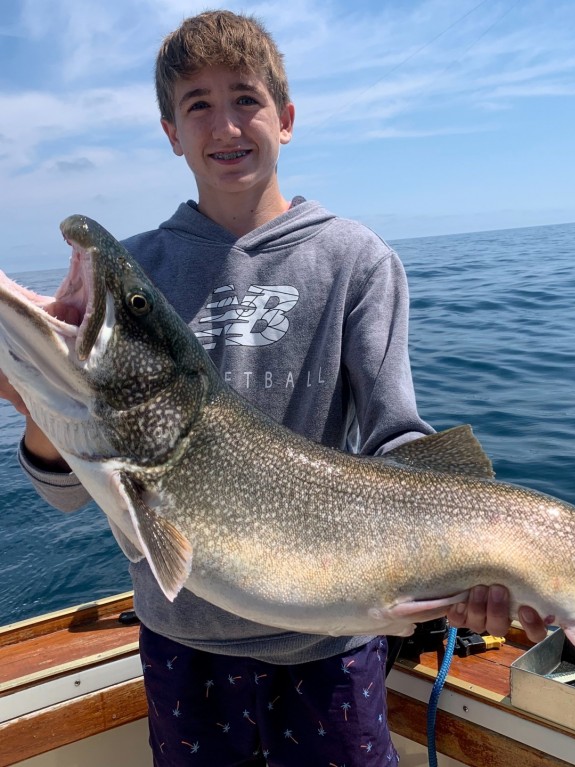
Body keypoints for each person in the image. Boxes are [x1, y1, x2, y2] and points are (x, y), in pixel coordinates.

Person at [0, 10, 545, 766]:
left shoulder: (355, 258)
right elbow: (66, 492)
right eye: (197, 105)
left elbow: (396, 438)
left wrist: (471, 560)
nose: (225, 125)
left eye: (245, 99)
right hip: (181, 643)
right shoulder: (144, 264)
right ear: (170, 132)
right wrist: (38, 407)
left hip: (330, 641)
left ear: (284, 119)